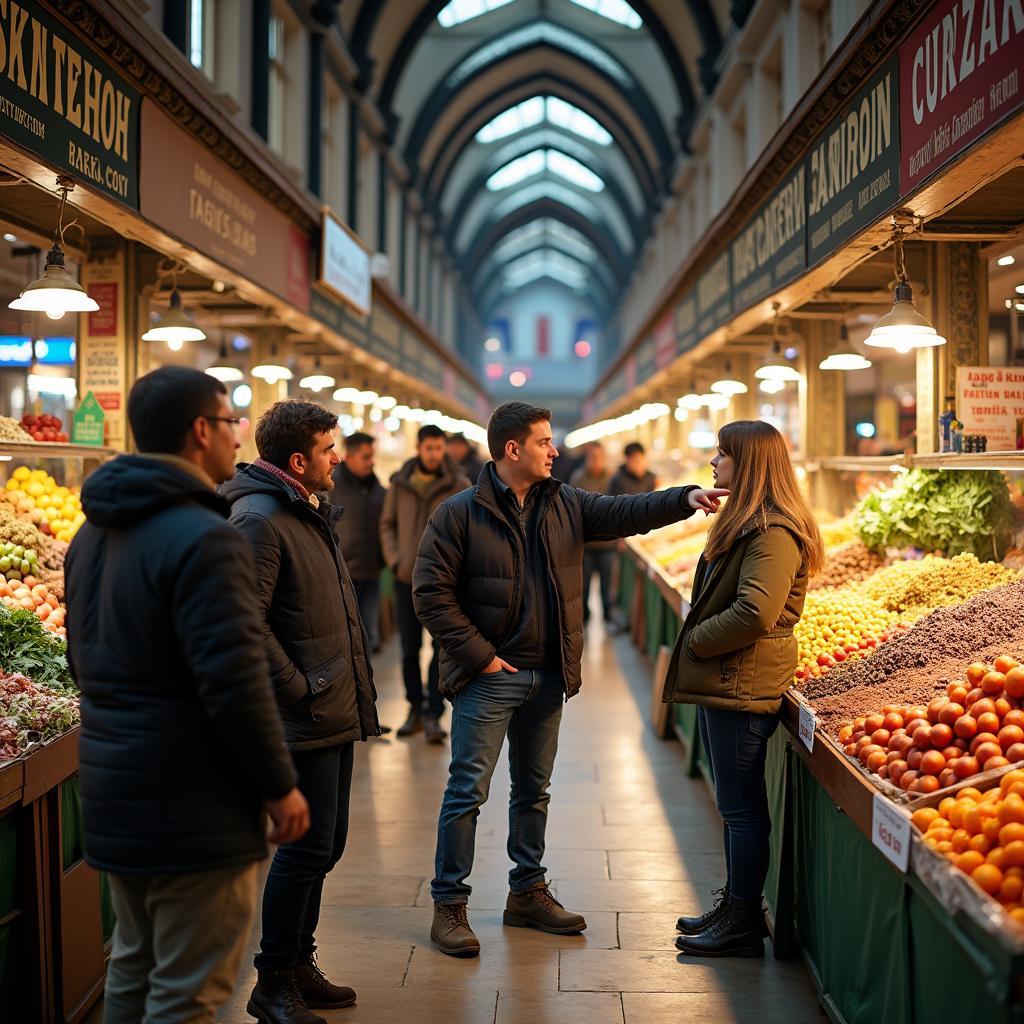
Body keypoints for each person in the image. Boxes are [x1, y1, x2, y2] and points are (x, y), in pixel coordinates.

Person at [412, 401, 727, 957]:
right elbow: (430, 594)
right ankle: (449, 905)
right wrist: (480, 656)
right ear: (513, 450)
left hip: (548, 673)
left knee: (534, 791)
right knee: (468, 792)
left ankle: (527, 891)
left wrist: (683, 499)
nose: (555, 450)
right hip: (490, 677)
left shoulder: (566, 503)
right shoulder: (457, 513)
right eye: (543, 442)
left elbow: (626, 511)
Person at [65, 367, 309, 1024]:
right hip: (192, 806)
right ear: (202, 431)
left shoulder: (90, 535)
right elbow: (233, 680)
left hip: (114, 790)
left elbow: (79, 663)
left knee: (133, 968)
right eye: (232, 423)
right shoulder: (208, 538)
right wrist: (278, 783)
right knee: (189, 992)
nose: (238, 438)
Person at [223, 400, 380, 1024]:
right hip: (303, 712)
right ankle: (272, 981)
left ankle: (300, 961)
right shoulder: (260, 519)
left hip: (328, 704)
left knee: (327, 844)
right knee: (304, 850)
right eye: (327, 447)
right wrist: (300, 688)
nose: (336, 456)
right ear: (297, 460)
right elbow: (242, 622)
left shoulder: (301, 510)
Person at [663, 420, 824, 959]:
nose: (713, 462)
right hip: (732, 674)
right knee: (735, 805)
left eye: (723, 455)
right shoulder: (751, 521)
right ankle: (737, 907)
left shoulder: (774, 531)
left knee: (742, 808)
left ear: (749, 464)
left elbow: (755, 611)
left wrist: (695, 642)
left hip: (741, 674)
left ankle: (742, 919)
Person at [381, 424, 470, 743]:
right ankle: (414, 709)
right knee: (409, 649)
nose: (434, 454)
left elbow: (468, 530)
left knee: (440, 649)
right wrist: (395, 559)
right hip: (406, 578)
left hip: (444, 583)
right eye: (428, 448)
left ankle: (434, 713)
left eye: (438, 448)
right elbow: (387, 524)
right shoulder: (399, 485)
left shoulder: (458, 485)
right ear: (418, 448)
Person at [330, 431, 387, 653]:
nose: (371, 462)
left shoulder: (378, 489)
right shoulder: (332, 487)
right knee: (345, 636)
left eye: (372, 456)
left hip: (372, 573)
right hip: (342, 576)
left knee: (367, 636)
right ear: (349, 457)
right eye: (366, 457)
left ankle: (366, 686)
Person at [568, 442, 620, 631]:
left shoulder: (613, 477)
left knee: (608, 585)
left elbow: (620, 508)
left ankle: (608, 616)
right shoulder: (578, 478)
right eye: (592, 458)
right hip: (586, 544)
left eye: (599, 457)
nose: (596, 461)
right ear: (587, 458)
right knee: (583, 585)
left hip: (608, 543)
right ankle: (583, 617)